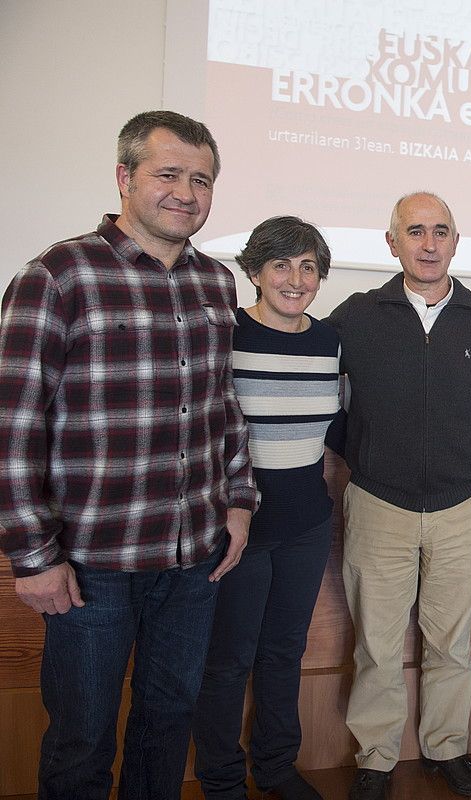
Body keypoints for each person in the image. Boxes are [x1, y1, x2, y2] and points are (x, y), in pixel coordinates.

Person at [0, 110, 255, 799]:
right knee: (81, 740)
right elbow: (13, 424)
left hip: (193, 558)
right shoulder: (56, 275)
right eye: (168, 174)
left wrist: (238, 503)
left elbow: (221, 407)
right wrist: (32, 556)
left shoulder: (216, 283)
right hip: (91, 568)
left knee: (167, 721)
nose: (187, 192)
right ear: (124, 177)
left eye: (201, 180)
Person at [326, 192, 471, 800]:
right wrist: (362, 454)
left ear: (455, 242)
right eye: (415, 231)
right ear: (393, 243)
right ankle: (377, 757)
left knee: (449, 642)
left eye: (441, 231)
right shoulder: (355, 317)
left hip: (466, 506)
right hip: (379, 502)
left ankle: (446, 749)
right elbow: (323, 399)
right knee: (377, 643)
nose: (429, 242)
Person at [191, 217, 342, 800]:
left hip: (307, 522)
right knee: (228, 661)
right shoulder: (225, 333)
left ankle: (276, 768)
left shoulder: (328, 340)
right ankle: (221, 780)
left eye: (308, 267)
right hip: (238, 525)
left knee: (284, 652)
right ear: (253, 272)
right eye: (280, 265)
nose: (295, 279)